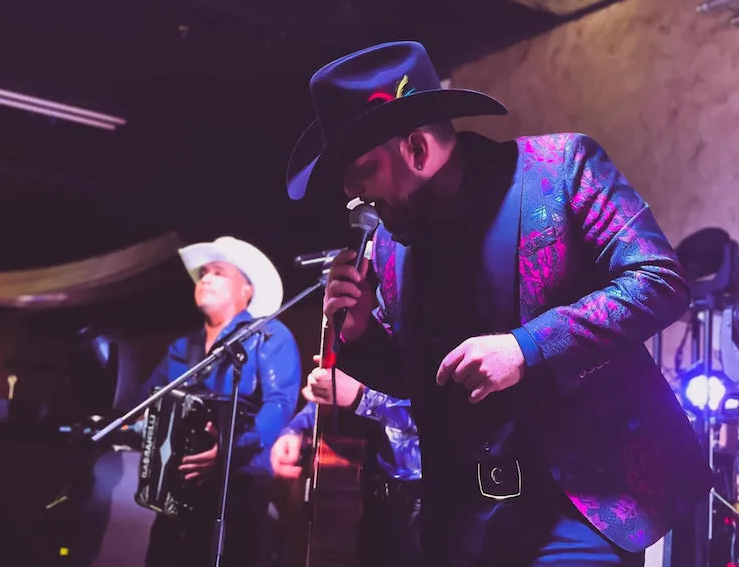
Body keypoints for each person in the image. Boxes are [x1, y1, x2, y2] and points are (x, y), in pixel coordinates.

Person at [283, 41, 713, 566]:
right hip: (459, 520)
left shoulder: (560, 169)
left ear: (416, 149)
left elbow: (659, 280)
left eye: (361, 169)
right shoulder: (392, 243)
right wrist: (360, 335)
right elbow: (419, 377)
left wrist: (526, 348)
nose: (350, 191)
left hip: (580, 504)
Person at [139, 236, 301, 567]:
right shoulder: (182, 347)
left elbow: (280, 403)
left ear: (246, 290)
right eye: (203, 274)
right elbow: (148, 401)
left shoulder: (269, 336)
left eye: (218, 272)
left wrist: (230, 449)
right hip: (174, 495)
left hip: (239, 496)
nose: (206, 278)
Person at [271, 352, 422, 567]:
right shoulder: (366, 339)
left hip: (425, 505)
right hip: (368, 498)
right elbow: (335, 392)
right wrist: (297, 429)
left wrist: (362, 398)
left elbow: (439, 422)